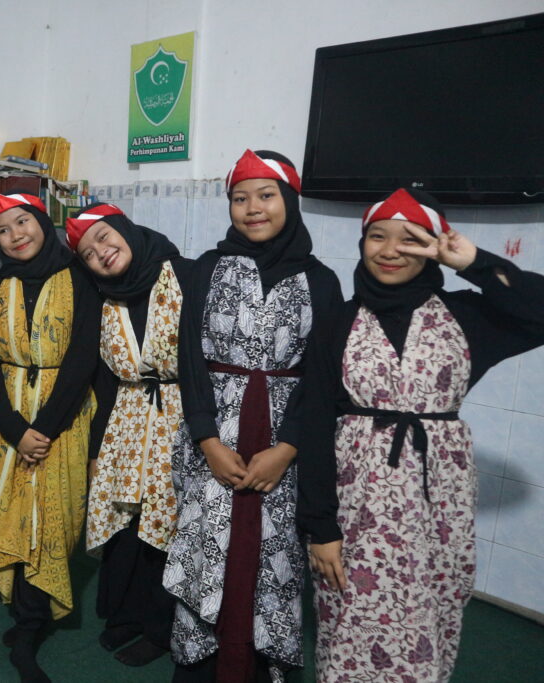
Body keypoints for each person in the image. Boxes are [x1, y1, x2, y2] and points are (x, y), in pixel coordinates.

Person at [298, 188, 544, 682]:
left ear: (432, 245)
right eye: (377, 237)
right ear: (362, 242)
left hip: (439, 506)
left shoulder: (468, 317)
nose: (390, 250)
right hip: (356, 504)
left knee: (428, 613)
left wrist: (470, 261)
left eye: (410, 240)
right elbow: (314, 422)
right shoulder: (337, 321)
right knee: (350, 618)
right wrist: (320, 527)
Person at [164, 149, 343, 682]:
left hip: (282, 448)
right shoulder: (207, 270)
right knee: (207, 552)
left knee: (271, 558)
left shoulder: (322, 281)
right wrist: (207, 441)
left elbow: (321, 378)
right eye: (240, 199)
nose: (252, 208)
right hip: (213, 440)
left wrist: (285, 450)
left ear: (289, 200)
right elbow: (189, 361)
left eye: (266, 196)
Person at [0, 192, 101, 682]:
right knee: (11, 515)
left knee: (53, 519)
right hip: (6, 416)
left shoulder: (79, 278)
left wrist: (42, 429)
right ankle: (26, 624)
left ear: (43, 223)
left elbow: (82, 361)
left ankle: (29, 622)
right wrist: (12, 429)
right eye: (3, 230)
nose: (15, 235)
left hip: (61, 418)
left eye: (23, 222)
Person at [66, 203, 190, 667]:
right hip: (126, 420)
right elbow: (101, 378)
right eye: (87, 252)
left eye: (103, 236)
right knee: (126, 525)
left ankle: (161, 628)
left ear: (123, 229)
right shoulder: (102, 294)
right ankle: (125, 614)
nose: (100, 252)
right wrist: (98, 446)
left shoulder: (184, 275)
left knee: (167, 527)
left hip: (178, 421)